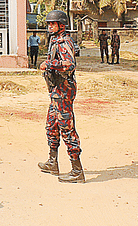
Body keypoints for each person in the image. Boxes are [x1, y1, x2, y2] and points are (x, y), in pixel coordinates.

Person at [38, 9, 84, 183]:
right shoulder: (54, 40)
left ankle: (77, 170)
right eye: (49, 23)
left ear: (61, 25)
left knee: (67, 128)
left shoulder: (64, 41)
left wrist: (49, 63)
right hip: (56, 91)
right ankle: (53, 162)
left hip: (64, 90)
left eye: (53, 24)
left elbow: (69, 64)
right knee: (51, 125)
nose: (50, 26)